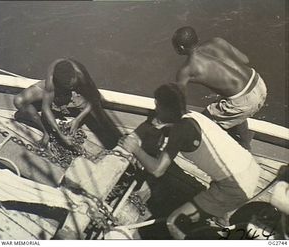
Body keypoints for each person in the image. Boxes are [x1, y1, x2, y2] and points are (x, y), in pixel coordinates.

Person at [119, 83, 261, 239]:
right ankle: (220, 219)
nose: (156, 110)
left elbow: (157, 170)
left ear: (166, 108)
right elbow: (186, 134)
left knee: (174, 223)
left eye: (157, 105)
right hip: (250, 168)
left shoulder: (180, 131)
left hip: (234, 187)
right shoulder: (194, 116)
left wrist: (135, 148)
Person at [171, 26, 267, 150]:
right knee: (231, 108)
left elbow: (179, 100)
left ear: (181, 48)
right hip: (259, 84)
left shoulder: (186, 70)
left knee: (203, 122)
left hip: (243, 100)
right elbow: (245, 60)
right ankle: (244, 141)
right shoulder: (217, 41)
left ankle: (237, 149)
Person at [14, 58, 122, 149]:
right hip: (56, 91)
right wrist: (61, 135)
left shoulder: (81, 75)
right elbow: (45, 108)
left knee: (99, 113)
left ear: (75, 77)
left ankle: (116, 139)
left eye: (71, 85)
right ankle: (46, 132)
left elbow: (95, 98)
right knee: (19, 101)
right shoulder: (52, 78)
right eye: (66, 86)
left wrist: (77, 120)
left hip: (75, 94)